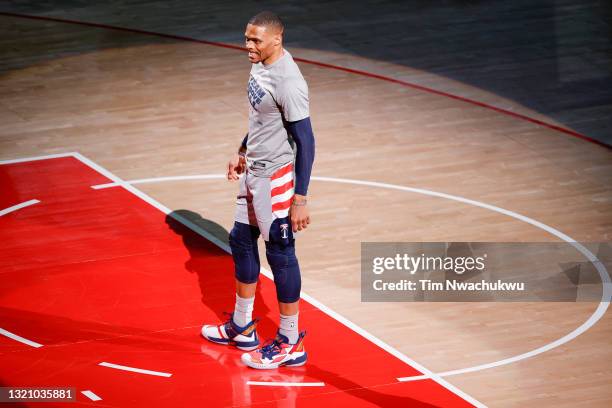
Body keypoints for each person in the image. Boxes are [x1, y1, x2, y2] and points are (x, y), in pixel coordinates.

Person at [201, 11, 315, 370]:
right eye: (246, 38)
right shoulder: (260, 64)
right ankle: (242, 325)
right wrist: (242, 150)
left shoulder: (289, 82)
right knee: (241, 240)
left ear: (276, 40)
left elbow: (306, 142)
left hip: (276, 179)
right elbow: (262, 119)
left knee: (280, 254)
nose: (248, 46)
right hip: (253, 171)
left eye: (255, 41)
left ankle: (290, 341)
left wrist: (300, 197)